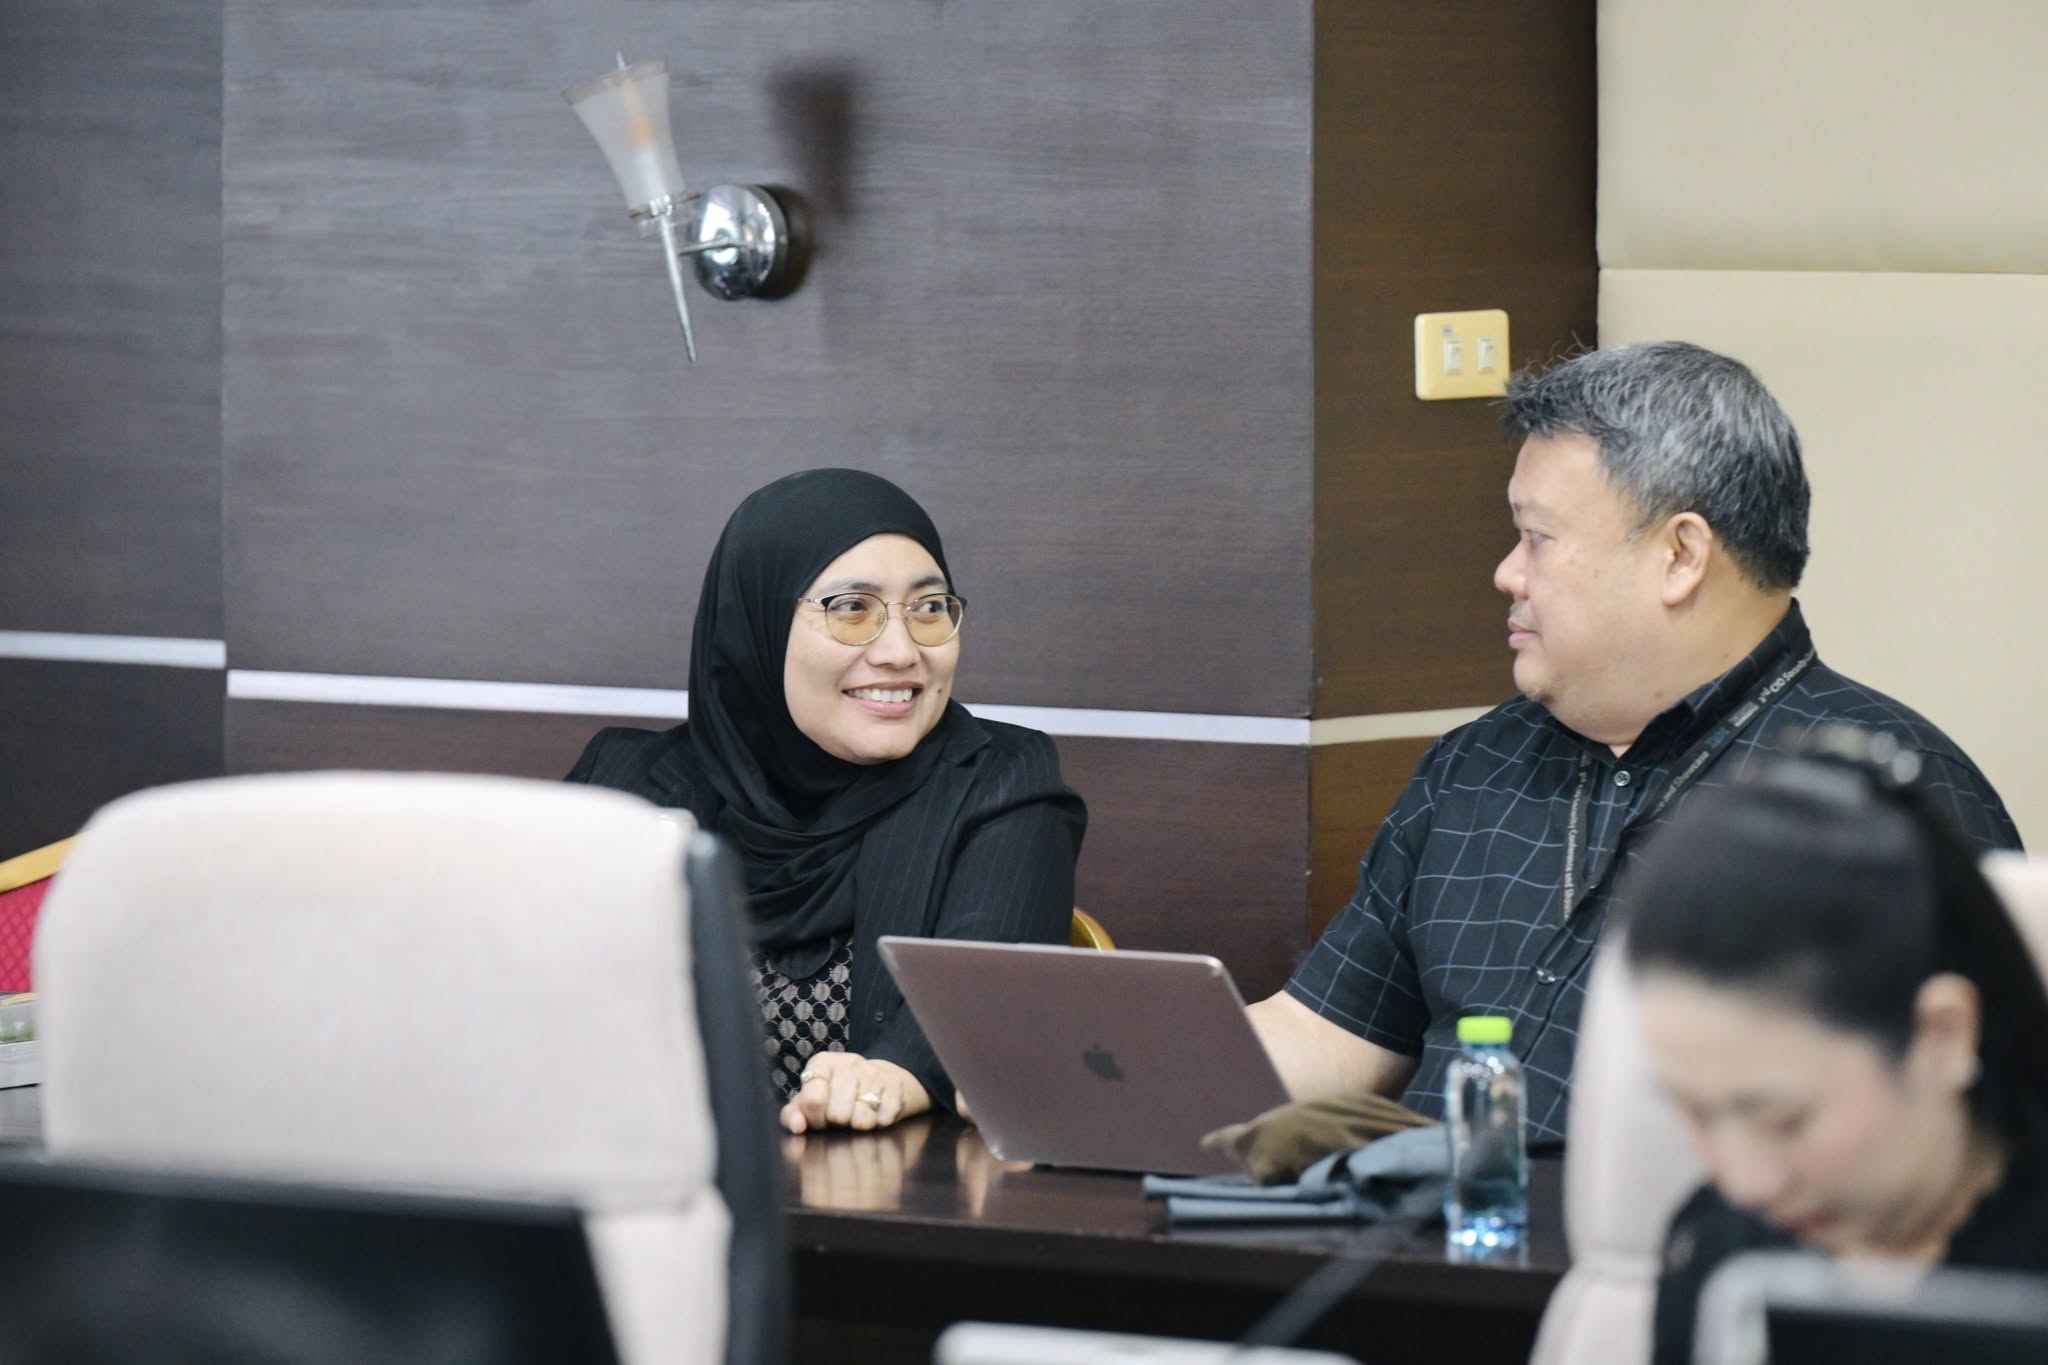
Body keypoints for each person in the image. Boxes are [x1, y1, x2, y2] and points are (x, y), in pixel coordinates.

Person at [1247, 340, 2020, 1146]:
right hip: (1420, 1218)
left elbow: (1963, 1135)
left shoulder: (1889, 801)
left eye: (1537, 537)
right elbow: (1326, 1035)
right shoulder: (1473, 766)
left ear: (1680, 556)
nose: (1507, 573)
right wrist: (1161, 1070)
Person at [567, 468, 1086, 1135]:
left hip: (887, 1195)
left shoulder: (1000, 783)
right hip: (639, 1184)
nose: (901, 651)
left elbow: (982, 1008)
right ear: (755, 625)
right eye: (852, 609)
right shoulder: (626, 787)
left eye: (929, 609)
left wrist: (893, 1077)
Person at [1620, 732, 2048, 1365]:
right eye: (1695, 1112)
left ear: (1943, 1036)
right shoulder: (1720, 1249)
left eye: (1783, 1119)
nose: (1747, 1183)